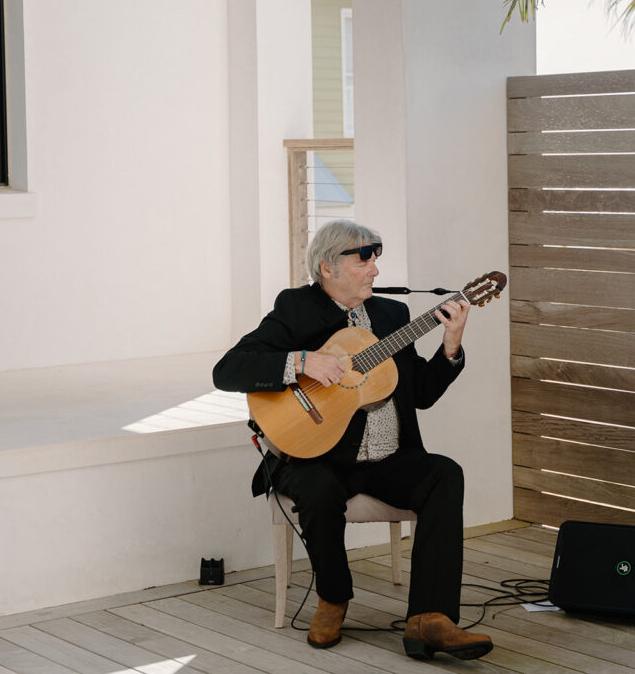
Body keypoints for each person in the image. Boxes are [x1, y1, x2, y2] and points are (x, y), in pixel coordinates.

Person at [212, 219, 494, 661]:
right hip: (314, 456)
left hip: (386, 459)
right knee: (319, 490)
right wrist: (303, 362)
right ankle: (333, 598)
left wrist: (451, 345)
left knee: (444, 474)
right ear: (327, 266)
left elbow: (420, 395)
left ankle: (430, 618)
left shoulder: (392, 316)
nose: (375, 270)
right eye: (364, 258)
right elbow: (227, 370)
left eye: (376, 258)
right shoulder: (296, 309)